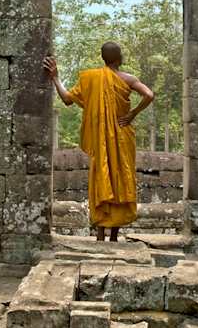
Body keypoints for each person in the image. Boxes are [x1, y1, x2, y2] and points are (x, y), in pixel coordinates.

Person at [43, 42, 155, 241]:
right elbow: (148, 95)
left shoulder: (91, 78)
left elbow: (67, 99)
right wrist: (132, 114)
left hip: (102, 140)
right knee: (120, 178)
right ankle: (114, 235)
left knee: (102, 177)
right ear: (120, 58)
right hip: (122, 135)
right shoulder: (128, 79)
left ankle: (101, 235)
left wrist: (56, 78)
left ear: (103, 59)